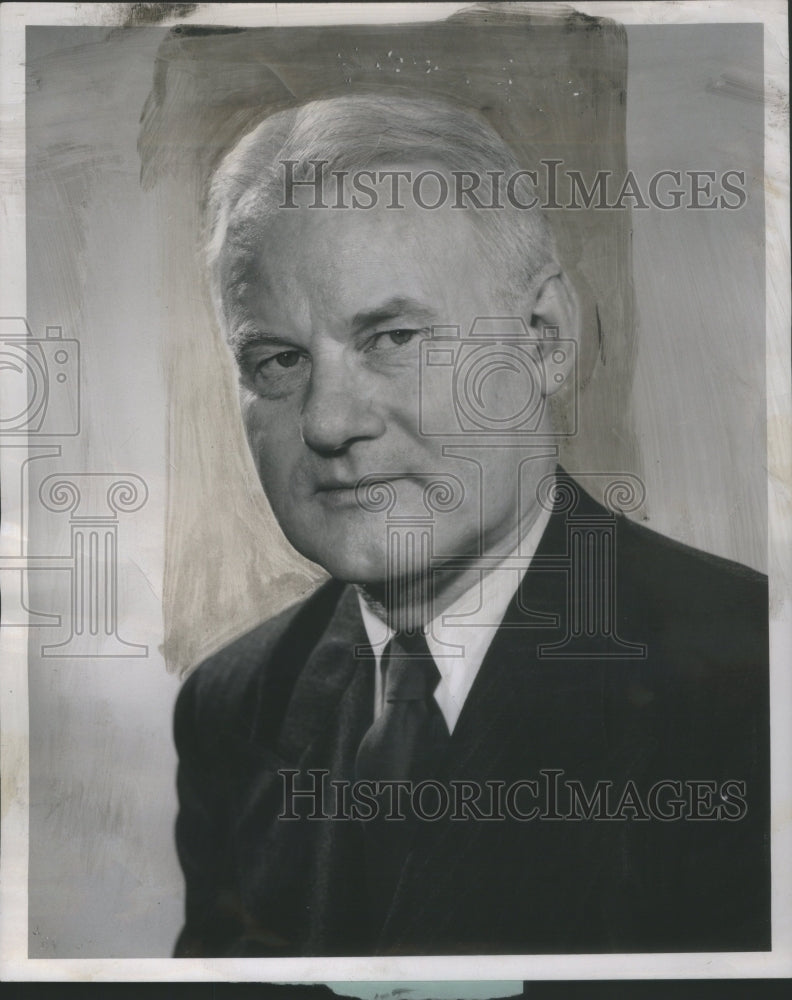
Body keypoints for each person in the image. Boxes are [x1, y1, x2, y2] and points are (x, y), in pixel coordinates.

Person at [172, 94, 769, 957]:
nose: (329, 422)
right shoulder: (231, 706)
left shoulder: (749, 676)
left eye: (394, 337)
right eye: (279, 360)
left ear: (544, 338)